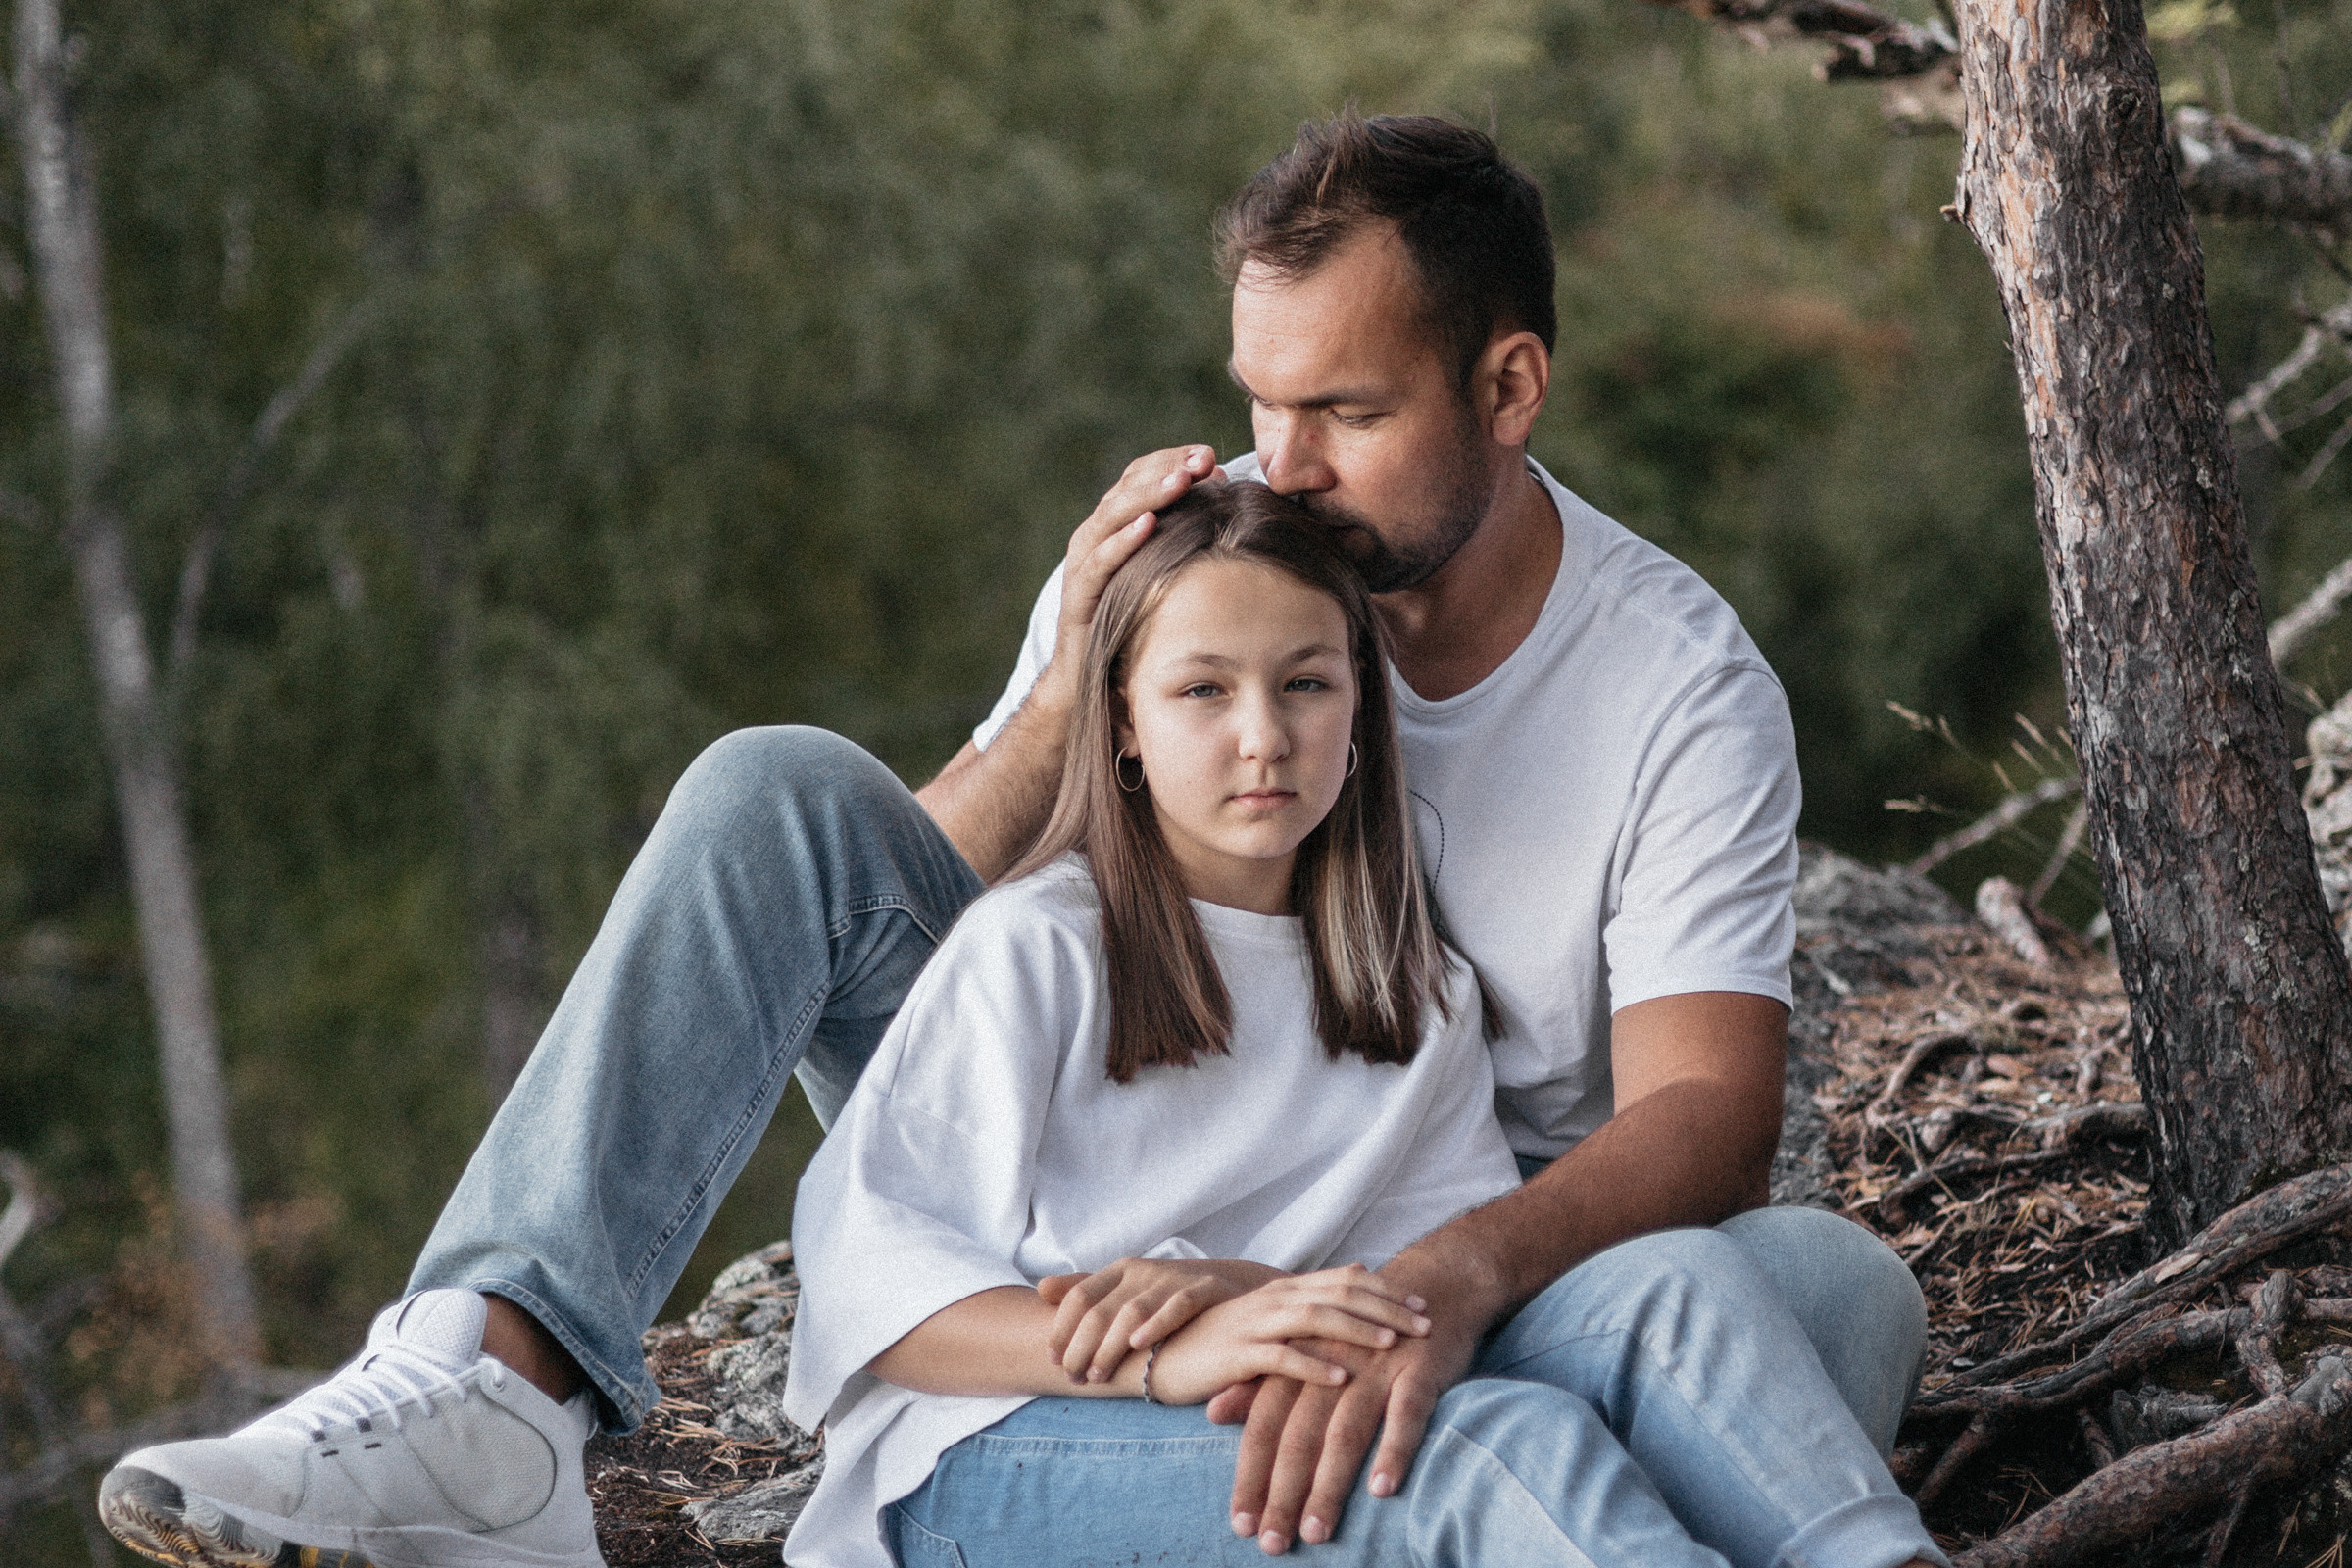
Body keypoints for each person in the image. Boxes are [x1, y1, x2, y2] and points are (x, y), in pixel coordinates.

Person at [97, 112, 1928, 1568]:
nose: (1275, 466)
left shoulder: (1672, 680)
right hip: (1093, 1131)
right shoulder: (1227, 562)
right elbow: (946, 912)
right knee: (775, 796)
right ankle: (490, 1388)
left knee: (1821, 1298)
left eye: (1346, 414)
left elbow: (1702, 1113)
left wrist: (1414, 1292)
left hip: (1433, 1227)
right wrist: (1075, 687)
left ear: (1509, 391)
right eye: (1259, 398)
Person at [783, 478, 1940, 1568]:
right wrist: (1169, 1355)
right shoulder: (1038, 947)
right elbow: (869, 1288)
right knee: (1494, 1453)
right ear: (1123, 719)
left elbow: (1413, 1304)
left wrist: (1243, 1293)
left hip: (1259, 1386)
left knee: (1681, 1285)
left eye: (1306, 683)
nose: (1263, 736)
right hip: (991, 1454)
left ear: (1362, 702)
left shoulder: (1414, 989)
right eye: (1202, 689)